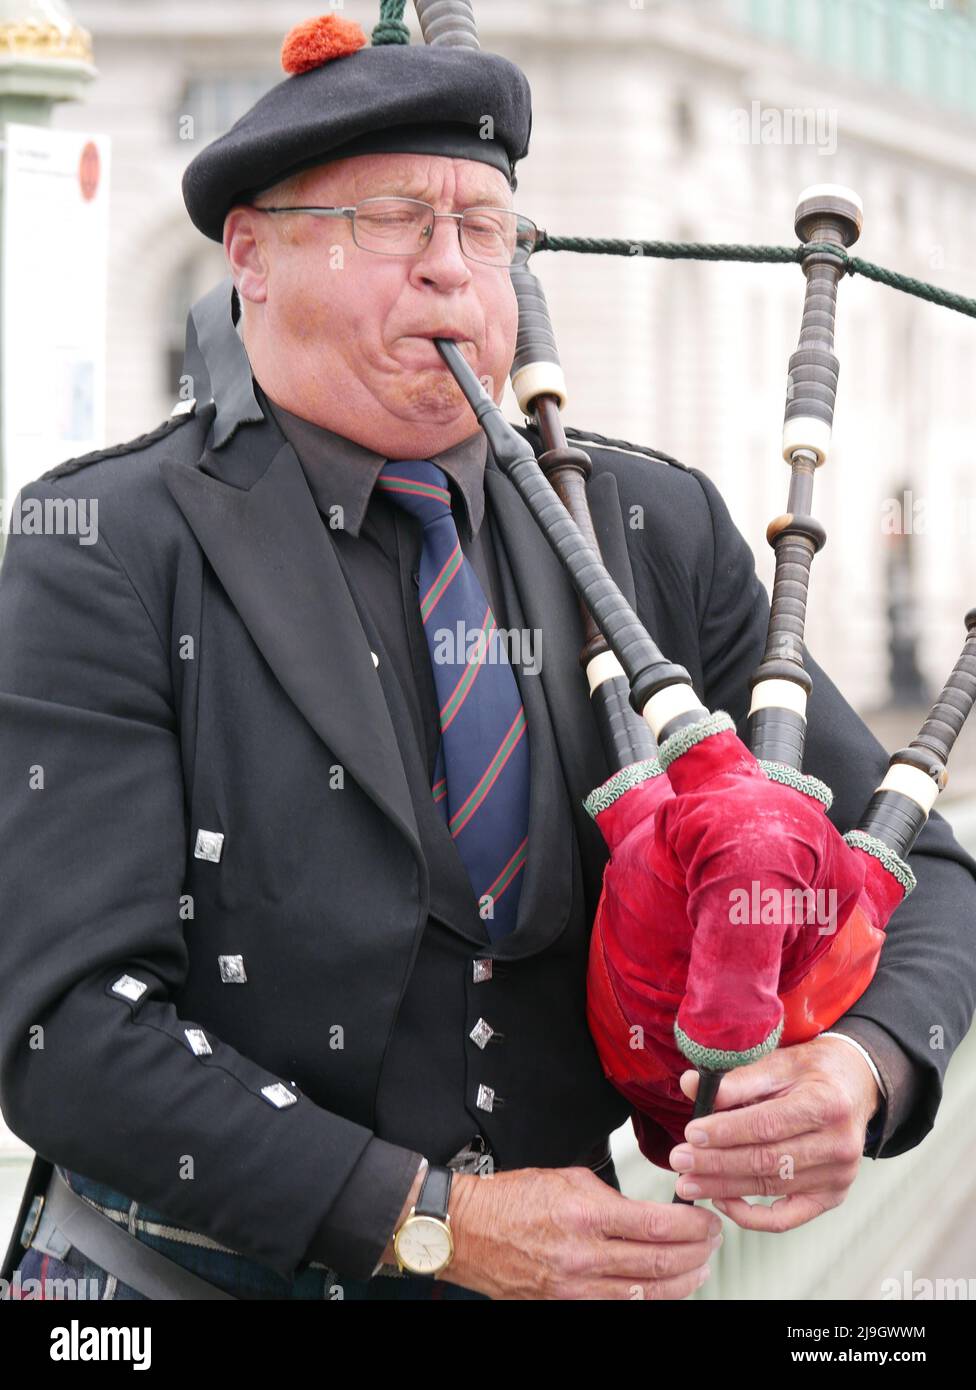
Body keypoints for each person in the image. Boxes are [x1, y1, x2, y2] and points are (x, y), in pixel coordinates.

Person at [1, 9, 975, 1303]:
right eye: (400, 220)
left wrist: (857, 1067)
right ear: (254, 255)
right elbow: (65, 1028)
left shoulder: (650, 531)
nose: (455, 272)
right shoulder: (106, 546)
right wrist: (426, 1219)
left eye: (487, 230)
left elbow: (925, 873)